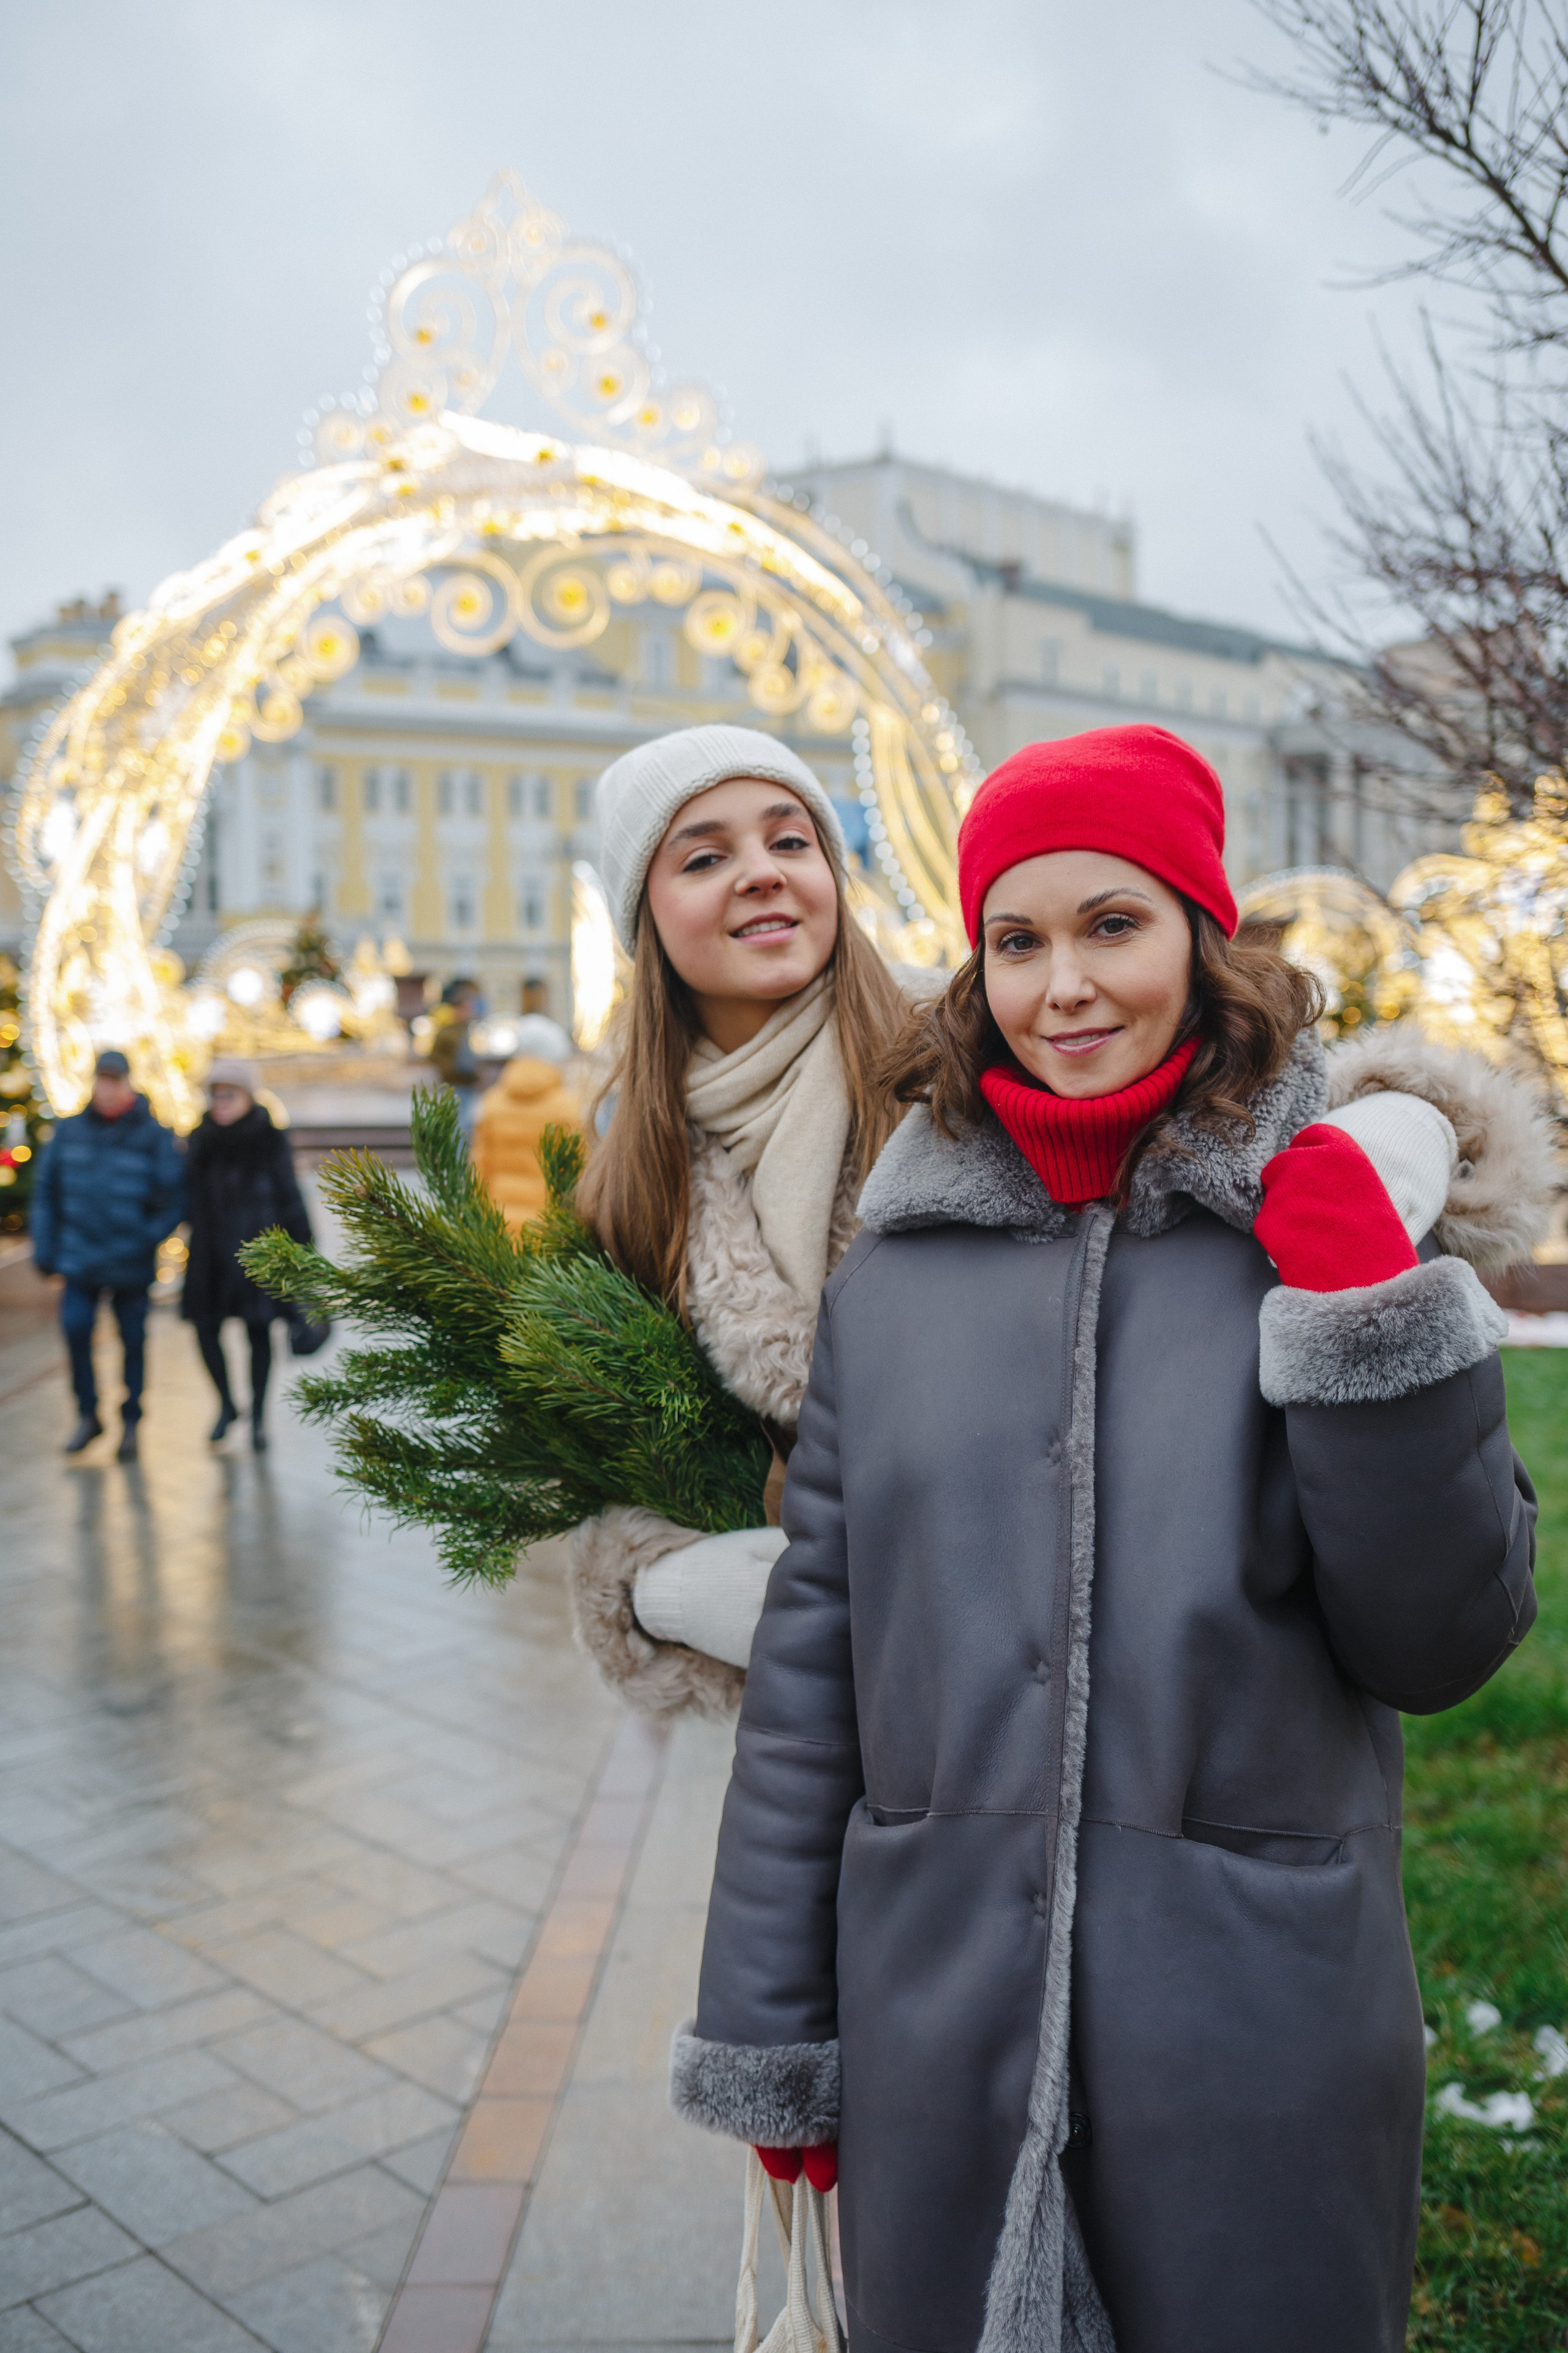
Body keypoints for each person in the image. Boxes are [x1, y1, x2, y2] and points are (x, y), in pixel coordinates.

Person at [672, 725, 1552, 2353]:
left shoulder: (1321, 1211)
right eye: (1019, 938)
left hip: (1252, 2024)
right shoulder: (901, 1277)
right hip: (940, 2028)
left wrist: (1367, 1324)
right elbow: (812, 1683)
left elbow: (1442, 1641)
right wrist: (774, 2031)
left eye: (1112, 925)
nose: (1063, 984)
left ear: (1203, 946)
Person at [567, 722, 920, 1715]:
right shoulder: (635, 1180)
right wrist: (664, 1578)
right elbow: (647, 1459)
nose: (760, 873)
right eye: (706, 856)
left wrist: (1392, 1118)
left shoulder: (964, 1061)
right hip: (835, 1713)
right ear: (648, 914)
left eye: (789, 840)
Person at [31, 1048, 186, 1462]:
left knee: (133, 1340)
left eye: (115, 1080)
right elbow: (46, 1192)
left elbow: (175, 1197)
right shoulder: (69, 1131)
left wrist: (147, 1236)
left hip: (130, 1261)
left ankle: (131, 1420)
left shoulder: (153, 1135)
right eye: (102, 1079)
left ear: (129, 1083)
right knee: (76, 1331)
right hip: (80, 1259)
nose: (107, 1088)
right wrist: (46, 1248)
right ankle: (88, 1414)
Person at [181, 1059, 314, 1451]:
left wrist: (302, 1253)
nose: (221, 1102)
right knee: (205, 1329)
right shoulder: (200, 1138)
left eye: (229, 1094)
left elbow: (290, 1198)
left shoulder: (268, 1138)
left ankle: (258, 1417)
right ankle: (226, 1404)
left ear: (247, 1096)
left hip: (259, 1252)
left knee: (259, 1334)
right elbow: (184, 1193)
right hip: (210, 1256)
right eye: (215, 1094)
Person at [429, 978, 485, 1143]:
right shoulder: (449, 1031)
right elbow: (435, 1057)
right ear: (458, 1009)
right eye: (468, 1008)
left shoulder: (467, 1031)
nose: (471, 1011)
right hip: (454, 1084)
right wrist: (450, 1069)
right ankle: (456, 1159)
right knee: (458, 1125)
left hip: (467, 1083)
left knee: (466, 1124)